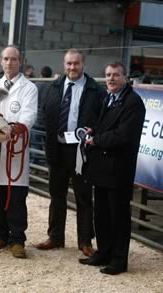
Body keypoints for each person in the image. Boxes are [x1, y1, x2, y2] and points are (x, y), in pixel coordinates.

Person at [37, 48, 106, 256]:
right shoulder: (54, 87)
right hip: (57, 149)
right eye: (69, 63)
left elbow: (102, 119)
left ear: (83, 65)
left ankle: (85, 241)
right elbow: (45, 115)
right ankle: (55, 237)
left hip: (81, 151)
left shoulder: (96, 90)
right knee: (56, 195)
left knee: (83, 198)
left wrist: (93, 132)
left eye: (76, 63)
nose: (72, 67)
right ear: (64, 64)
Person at [80, 62, 146, 275]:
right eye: (108, 75)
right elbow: (105, 125)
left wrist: (96, 140)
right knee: (102, 215)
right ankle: (104, 252)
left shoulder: (133, 103)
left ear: (125, 77)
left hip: (119, 168)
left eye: (116, 75)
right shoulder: (107, 98)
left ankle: (119, 260)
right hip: (101, 167)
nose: (111, 79)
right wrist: (93, 130)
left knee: (118, 216)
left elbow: (123, 135)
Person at [0, 45, 38, 259]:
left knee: (16, 195)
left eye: (13, 59)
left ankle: (17, 239)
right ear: (1, 61)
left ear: (20, 61)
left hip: (14, 147)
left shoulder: (29, 88)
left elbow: (29, 114)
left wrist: (16, 128)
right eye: (6, 59)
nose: (9, 63)